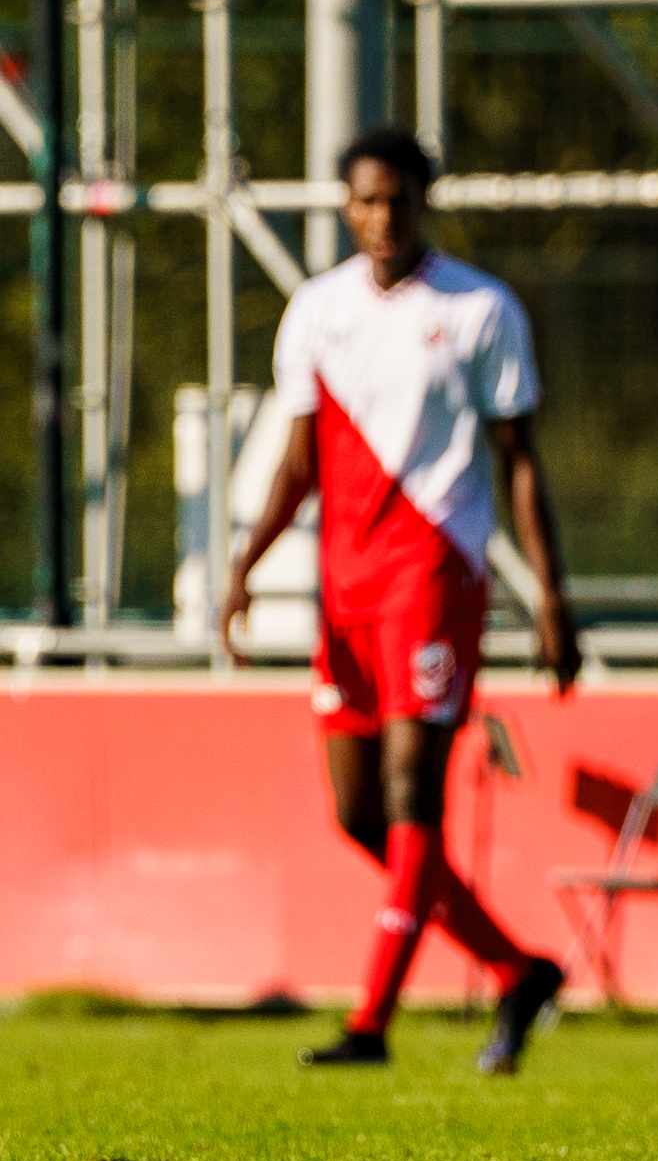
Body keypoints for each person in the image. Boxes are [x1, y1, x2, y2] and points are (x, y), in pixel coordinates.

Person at [220, 126, 576, 1076]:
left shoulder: (480, 308)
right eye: (367, 201)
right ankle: (519, 970)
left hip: (433, 574)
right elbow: (299, 459)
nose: (383, 217)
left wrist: (551, 595)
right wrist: (246, 563)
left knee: (415, 792)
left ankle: (370, 1022)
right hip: (345, 586)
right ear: (347, 206)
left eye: (399, 200)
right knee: (359, 813)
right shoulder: (317, 309)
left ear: (425, 202)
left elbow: (521, 461)